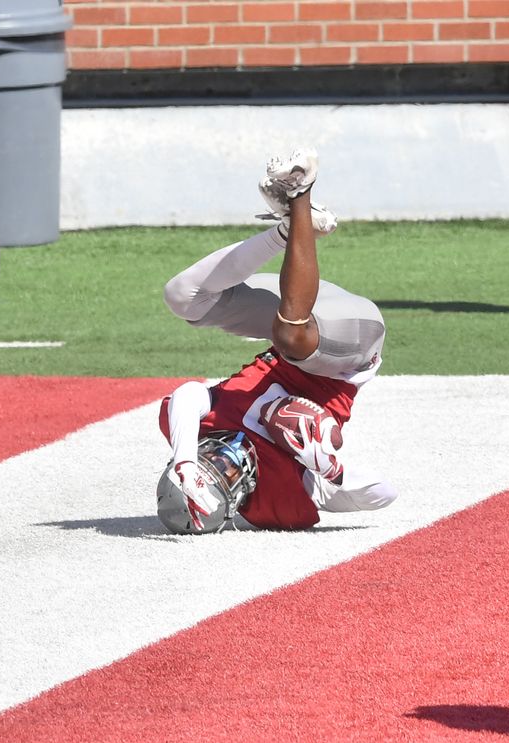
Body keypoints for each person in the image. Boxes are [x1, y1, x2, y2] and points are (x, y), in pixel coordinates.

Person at [157, 150, 396, 533]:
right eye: (226, 475)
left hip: (298, 307)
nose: (225, 460)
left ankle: (293, 226)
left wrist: (184, 459)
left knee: (182, 296)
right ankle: (299, 197)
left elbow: (186, 395)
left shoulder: (201, 430)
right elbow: (382, 495)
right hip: (352, 347)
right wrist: (329, 466)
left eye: (212, 461)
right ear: (236, 496)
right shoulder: (275, 499)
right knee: (290, 337)